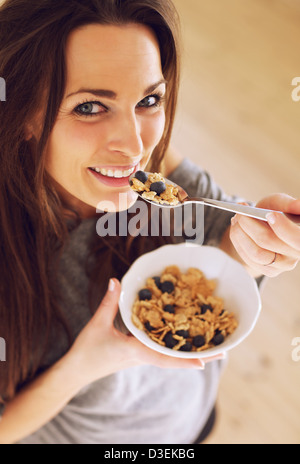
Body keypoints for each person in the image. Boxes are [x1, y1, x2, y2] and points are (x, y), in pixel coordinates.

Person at [0, 0, 299, 445]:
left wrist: (253, 249)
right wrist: (84, 365)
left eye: (149, 99)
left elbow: (222, 243)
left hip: (188, 425)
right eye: (90, 107)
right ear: (23, 113)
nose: (136, 145)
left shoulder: (155, 167)